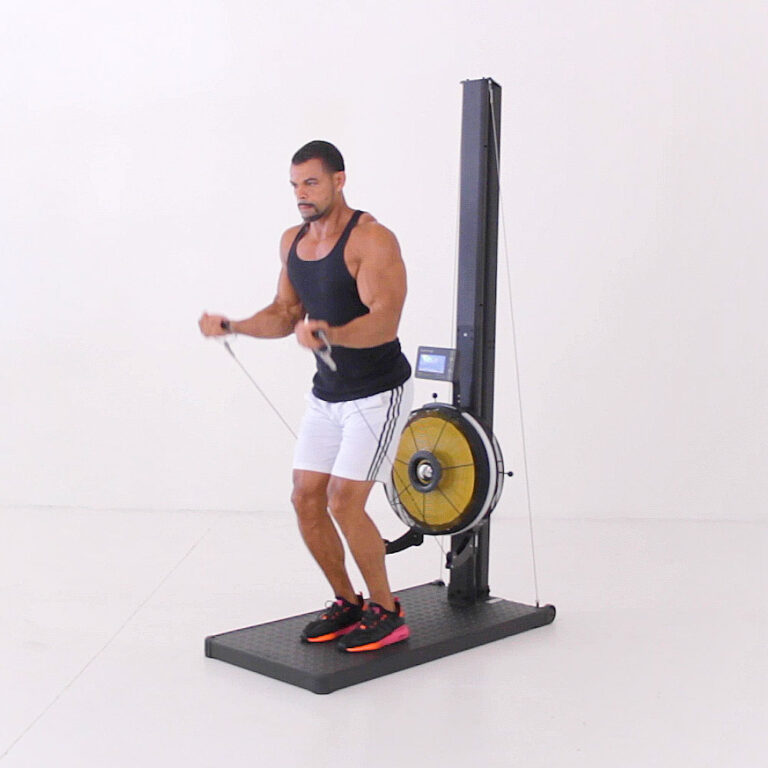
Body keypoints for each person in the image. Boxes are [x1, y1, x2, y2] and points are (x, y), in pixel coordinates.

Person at [199, 140, 413, 652]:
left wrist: (330, 334)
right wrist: (235, 326)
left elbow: (385, 321)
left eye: (311, 182)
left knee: (344, 501)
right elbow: (284, 312)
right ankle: (348, 601)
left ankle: (387, 610)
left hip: (377, 392)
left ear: (339, 180)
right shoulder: (293, 242)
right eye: (295, 185)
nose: (301, 193)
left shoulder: (372, 239)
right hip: (327, 395)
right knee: (305, 497)